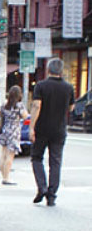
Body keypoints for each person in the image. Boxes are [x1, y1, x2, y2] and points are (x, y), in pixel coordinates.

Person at [29, 57, 73, 207]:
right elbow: (71, 107)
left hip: (42, 128)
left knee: (36, 158)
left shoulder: (41, 86)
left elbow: (36, 106)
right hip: (59, 129)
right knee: (55, 162)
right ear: (61, 71)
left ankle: (42, 187)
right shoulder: (68, 87)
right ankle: (52, 195)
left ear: (48, 70)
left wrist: (31, 127)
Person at [0, 85, 27, 185]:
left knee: (3, 155)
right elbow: (25, 116)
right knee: (10, 155)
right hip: (14, 131)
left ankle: (3, 176)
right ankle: (6, 178)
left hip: (5, 130)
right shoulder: (19, 106)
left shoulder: (5, 104)